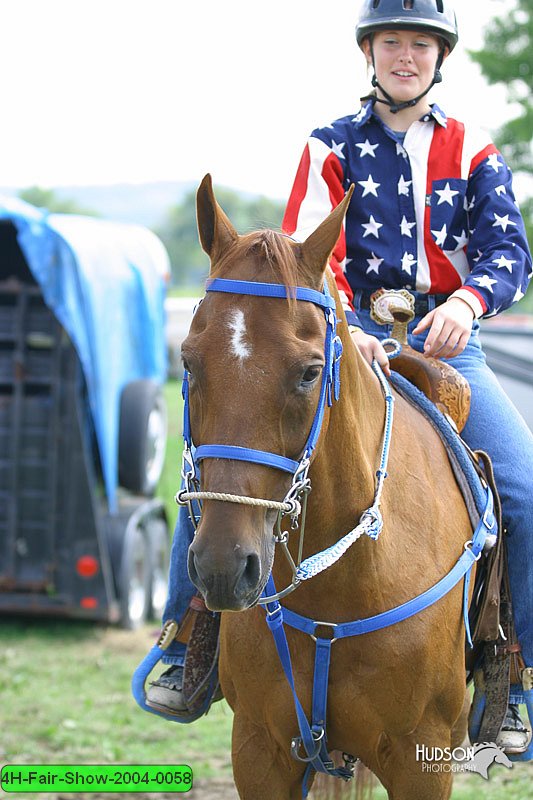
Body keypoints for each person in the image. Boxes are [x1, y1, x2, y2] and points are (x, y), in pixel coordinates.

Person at [147, 0, 533, 754]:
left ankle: (509, 673)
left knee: (522, 490)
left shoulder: (474, 149)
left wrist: (464, 300)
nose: (406, 56)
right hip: (342, 343)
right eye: (392, 41)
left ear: (439, 57)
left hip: (449, 346)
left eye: (421, 45)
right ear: (369, 52)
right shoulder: (330, 143)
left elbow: (508, 251)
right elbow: (303, 255)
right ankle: (187, 643)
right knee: (224, 464)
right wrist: (347, 326)